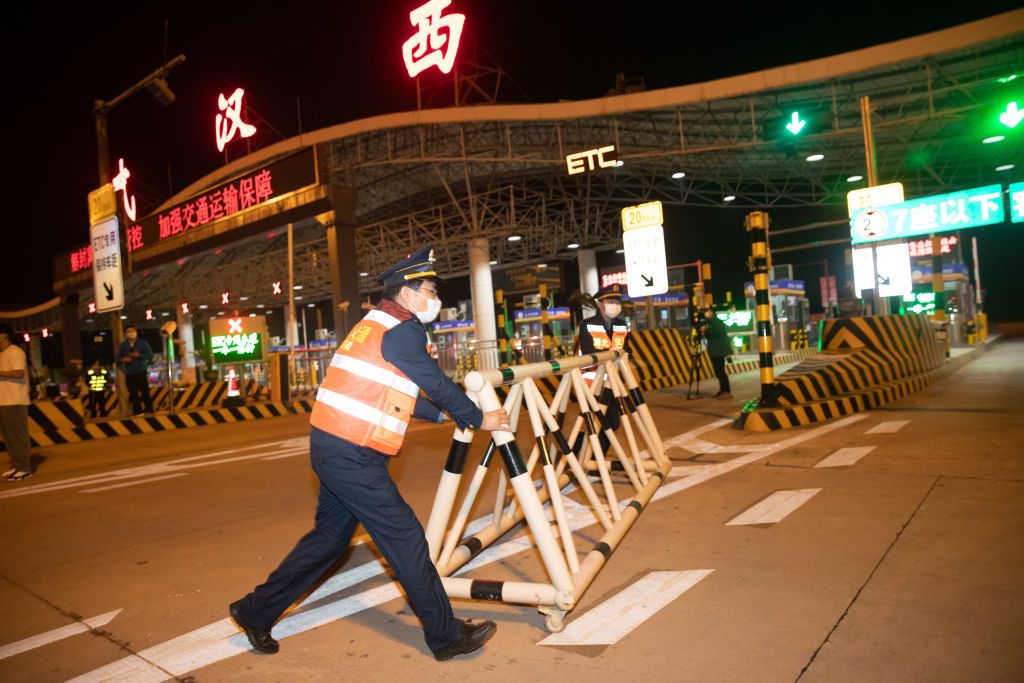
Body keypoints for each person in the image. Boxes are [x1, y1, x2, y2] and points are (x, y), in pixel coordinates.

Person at [229, 245, 509, 661]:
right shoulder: (402, 329)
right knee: (406, 538)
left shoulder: (377, 325)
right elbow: (435, 383)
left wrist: (445, 419)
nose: (436, 299)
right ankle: (446, 637)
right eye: (430, 289)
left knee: (330, 539)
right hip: (352, 454)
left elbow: (399, 393)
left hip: (333, 446)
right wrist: (477, 417)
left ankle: (254, 611)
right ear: (407, 291)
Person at [577, 283, 631, 433]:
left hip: (613, 383)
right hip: (592, 384)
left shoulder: (622, 326)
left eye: (617, 302)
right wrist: (612, 354)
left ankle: (590, 454)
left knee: (611, 424)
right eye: (610, 302)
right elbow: (588, 352)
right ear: (600, 304)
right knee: (595, 424)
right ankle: (582, 454)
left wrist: (625, 355)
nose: (615, 306)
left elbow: (627, 350)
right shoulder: (587, 325)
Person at [0, 323, 32, 481]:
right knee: (9, 437)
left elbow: (19, 373)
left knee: (18, 437)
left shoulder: (15, 352)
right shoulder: (2, 354)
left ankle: (24, 468)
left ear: (4, 336)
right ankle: (16, 466)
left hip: (15, 401)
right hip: (4, 402)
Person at [117, 325, 154, 415]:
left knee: (144, 391)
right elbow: (117, 357)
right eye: (129, 331)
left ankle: (149, 409)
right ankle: (137, 411)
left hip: (140, 371)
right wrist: (123, 359)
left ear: (136, 332)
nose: (131, 333)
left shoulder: (143, 343)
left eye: (132, 330)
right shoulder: (123, 345)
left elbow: (150, 355)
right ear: (126, 334)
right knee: (133, 393)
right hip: (129, 372)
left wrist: (139, 356)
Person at [701, 306, 733, 399]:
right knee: (718, 371)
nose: (705, 313)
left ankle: (726, 390)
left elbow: (715, 334)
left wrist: (705, 331)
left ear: (711, 312)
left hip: (719, 351)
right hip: (716, 350)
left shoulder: (716, 322)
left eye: (707, 311)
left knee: (720, 371)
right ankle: (723, 389)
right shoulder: (710, 322)